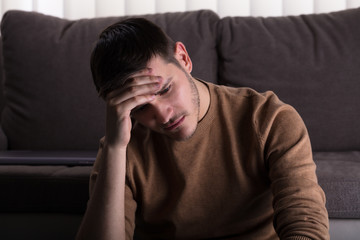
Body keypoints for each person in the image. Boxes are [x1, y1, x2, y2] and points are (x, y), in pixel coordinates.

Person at [76, 18, 329, 240]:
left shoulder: (269, 118)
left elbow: (305, 225)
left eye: (164, 89)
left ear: (183, 59)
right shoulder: (119, 148)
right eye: (139, 108)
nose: (163, 115)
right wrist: (115, 147)